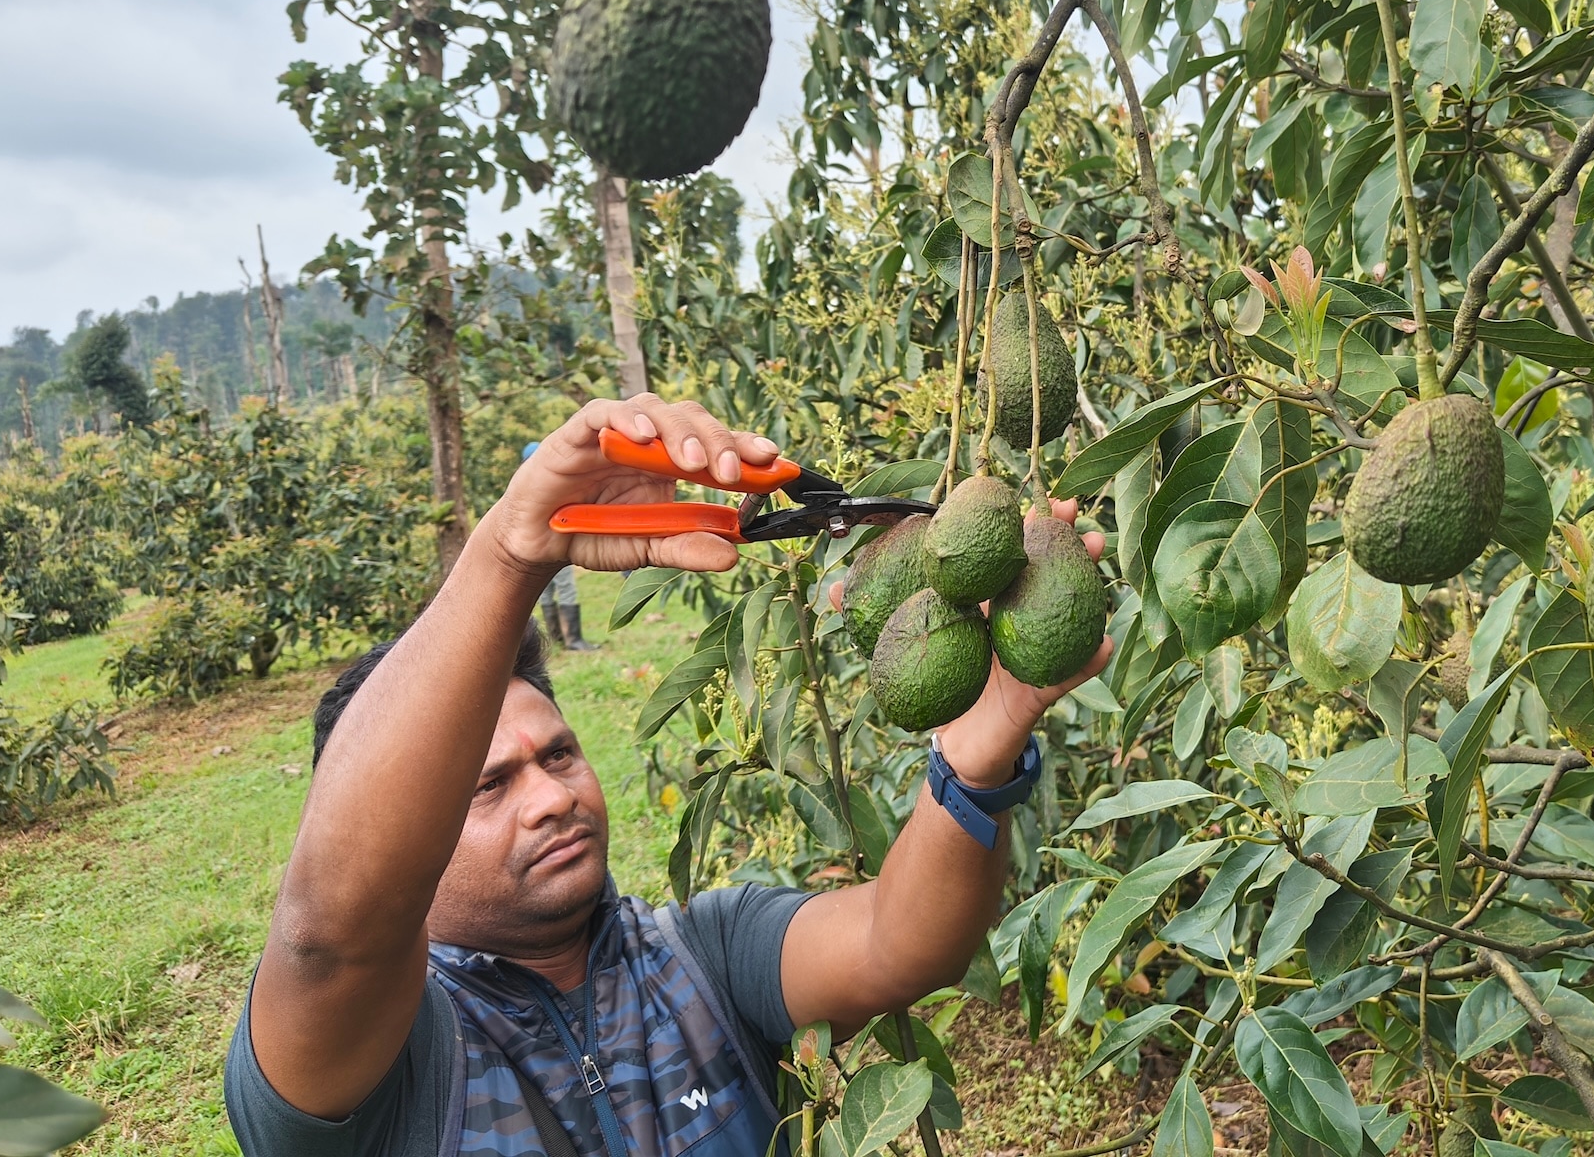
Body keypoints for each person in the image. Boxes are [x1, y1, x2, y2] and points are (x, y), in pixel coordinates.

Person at [225, 394, 1109, 1157]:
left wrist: (985, 738)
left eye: (559, 754)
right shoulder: (390, 1057)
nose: (552, 798)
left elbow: (897, 944)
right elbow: (334, 934)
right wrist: (508, 559)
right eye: (485, 788)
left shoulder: (701, 951)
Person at [521, 440, 592, 651]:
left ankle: (556, 637)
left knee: (545, 591)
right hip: (556, 543)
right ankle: (573, 639)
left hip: (535, 547)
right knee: (566, 587)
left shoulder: (522, 484)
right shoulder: (550, 482)